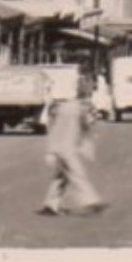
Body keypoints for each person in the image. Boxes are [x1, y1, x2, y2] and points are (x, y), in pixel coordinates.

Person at [39, 77, 105, 216]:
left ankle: (50, 205)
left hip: (55, 145)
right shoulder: (82, 107)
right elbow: (88, 123)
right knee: (77, 174)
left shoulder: (65, 106)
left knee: (61, 176)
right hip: (67, 147)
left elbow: (52, 123)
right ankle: (91, 201)